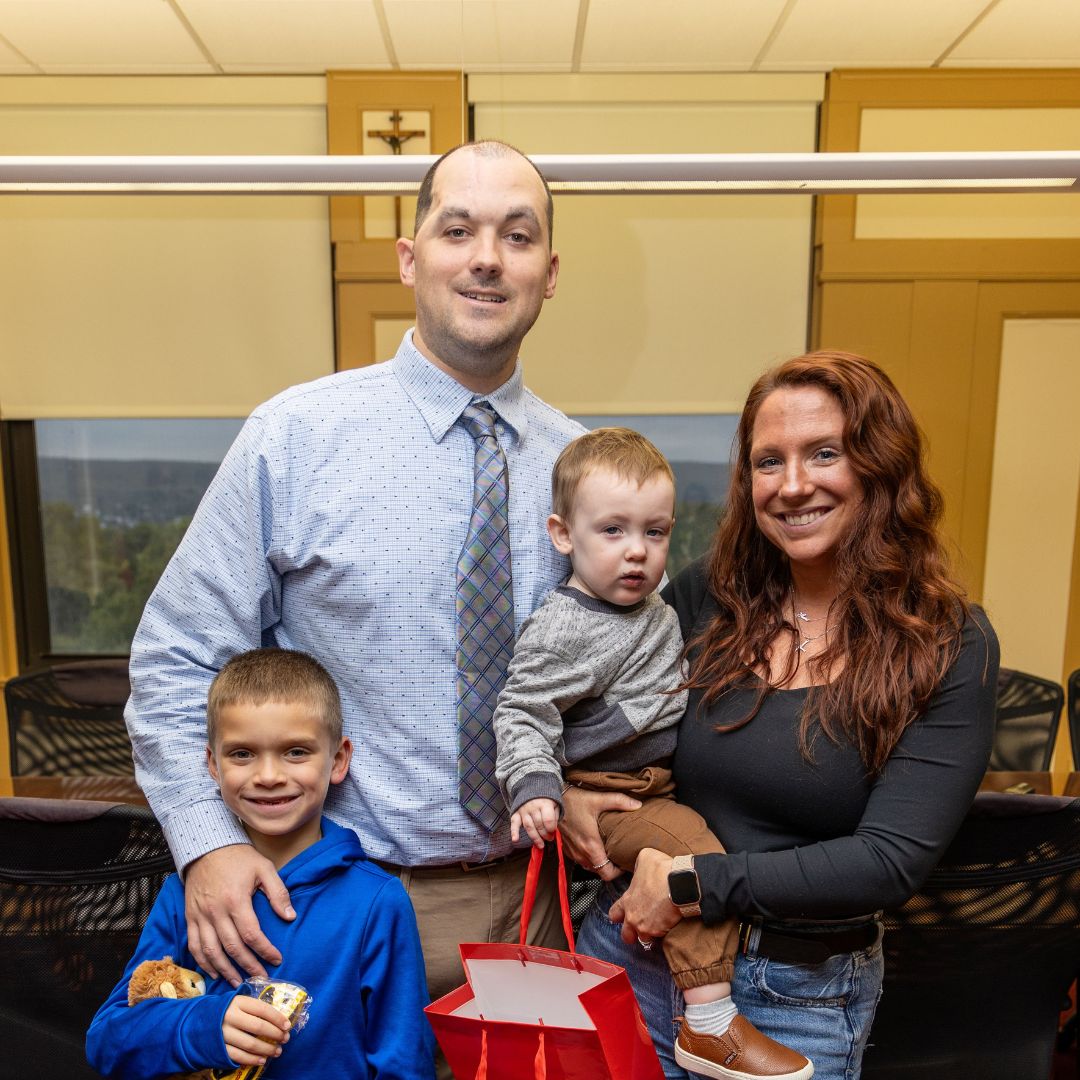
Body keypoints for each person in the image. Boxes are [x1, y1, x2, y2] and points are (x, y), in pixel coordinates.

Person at [123, 141, 613, 1049]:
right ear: (408, 257)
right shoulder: (296, 437)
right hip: (326, 904)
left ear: (549, 274)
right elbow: (177, 655)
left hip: (532, 909)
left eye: (518, 235)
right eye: (456, 228)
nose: (485, 257)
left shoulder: (586, 469)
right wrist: (208, 841)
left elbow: (610, 673)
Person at [563, 352, 999, 1080]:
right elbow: (604, 710)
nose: (793, 485)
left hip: (795, 995)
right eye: (769, 461)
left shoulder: (948, 642)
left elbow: (886, 863)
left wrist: (691, 882)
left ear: (881, 465)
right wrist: (575, 791)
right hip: (631, 954)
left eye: (824, 453)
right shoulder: (712, 595)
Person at [494, 427, 812, 1080]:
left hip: (652, 783)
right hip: (611, 790)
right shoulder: (564, 624)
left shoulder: (653, 608)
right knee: (694, 860)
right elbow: (522, 711)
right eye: (612, 531)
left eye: (655, 532)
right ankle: (711, 1020)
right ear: (563, 535)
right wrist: (537, 789)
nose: (637, 553)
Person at [88, 649, 434, 1079]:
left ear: (339, 760)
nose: (268, 775)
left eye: (295, 751)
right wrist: (205, 1028)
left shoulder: (377, 902)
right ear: (212, 764)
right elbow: (107, 1040)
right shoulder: (188, 893)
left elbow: (404, 1062)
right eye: (242, 754)